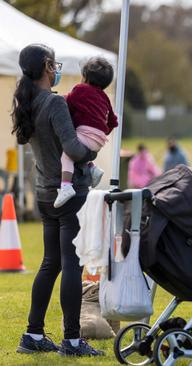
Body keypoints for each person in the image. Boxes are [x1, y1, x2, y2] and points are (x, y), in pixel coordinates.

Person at [11, 44, 103, 356]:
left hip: (43, 193)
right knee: (71, 265)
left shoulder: (27, 101)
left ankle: (33, 335)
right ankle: (73, 341)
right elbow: (75, 150)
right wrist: (94, 150)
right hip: (69, 195)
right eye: (55, 64)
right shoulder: (54, 103)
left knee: (50, 263)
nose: (57, 69)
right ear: (48, 66)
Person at [54, 57, 117, 208]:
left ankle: (66, 186)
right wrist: (103, 131)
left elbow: (66, 102)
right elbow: (113, 121)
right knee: (81, 150)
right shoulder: (104, 97)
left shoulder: (80, 89)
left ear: (85, 76)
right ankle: (92, 169)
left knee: (67, 154)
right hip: (99, 139)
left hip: (86, 134)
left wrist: (56, 98)